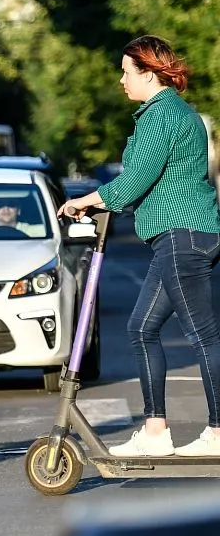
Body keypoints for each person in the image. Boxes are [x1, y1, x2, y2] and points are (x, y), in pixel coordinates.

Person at [58, 34, 220, 457]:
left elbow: (133, 182)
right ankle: (154, 431)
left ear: (149, 72)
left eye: (127, 71)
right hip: (179, 236)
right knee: (141, 327)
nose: (121, 79)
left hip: (183, 235)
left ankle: (218, 433)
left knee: (203, 336)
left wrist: (86, 200)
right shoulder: (165, 114)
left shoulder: (161, 116)